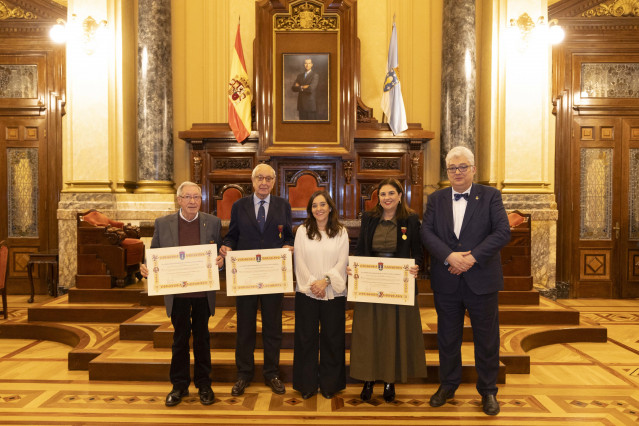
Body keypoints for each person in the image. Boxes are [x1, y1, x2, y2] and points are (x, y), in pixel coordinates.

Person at [421, 146, 510, 416]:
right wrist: (449, 256)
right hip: (447, 280)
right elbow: (426, 232)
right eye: (452, 168)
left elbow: (502, 232)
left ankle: (488, 391)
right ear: (447, 172)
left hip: (481, 279)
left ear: (473, 169)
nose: (457, 172)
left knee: (487, 338)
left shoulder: (491, 196)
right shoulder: (436, 199)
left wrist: (471, 258)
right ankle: (448, 385)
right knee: (448, 338)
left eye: (462, 167)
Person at [140, 181, 224, 407]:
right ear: (179, 200)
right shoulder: (163, 223)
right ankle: (179, 386)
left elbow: (219, 256)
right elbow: (154, 254)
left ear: (201, 200)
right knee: (179, 340)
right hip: (176, 294)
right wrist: (145, 266)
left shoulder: (213, 223)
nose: (192, 201)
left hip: (202, 294)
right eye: (187, 197)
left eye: (196, 197)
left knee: (202, 340)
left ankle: (204, 384)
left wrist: (221, 261)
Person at [348, 178, 426, 403]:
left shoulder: (410, 219)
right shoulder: (370, 218)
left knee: (393, 332)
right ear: (378, 198)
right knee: (369, 332)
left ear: (400, 196)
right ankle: (368, 379)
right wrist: (355, 269)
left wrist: (416, 266)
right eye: (383, 194)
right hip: (371, 282)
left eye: (391, 193)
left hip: (398, 283)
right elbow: (362, 247)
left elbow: (418, 251)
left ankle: (390, 380)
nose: (387, 198)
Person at [220, 163, 294, 397]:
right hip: (246, 276)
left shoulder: (283, 205)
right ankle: (244, 374)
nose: (264, 182)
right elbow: (232, 235)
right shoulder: (239, 206)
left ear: (274, 182)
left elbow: (288, 235)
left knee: (273, 326)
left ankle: (272, 373)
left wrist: (287, 246)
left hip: (273, 276)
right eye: (259, 178)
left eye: (268, 178)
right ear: (252, 181)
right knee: (245, 327)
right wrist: (226, 247)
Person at [293, 191, 349, 400]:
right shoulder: (302, 231)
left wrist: (325, 281)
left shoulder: (341, 232)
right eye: (314, 205)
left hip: (333, 292)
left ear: (330, 207)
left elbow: (342, 262)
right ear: (310, 210)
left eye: (322, 204)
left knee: (332, 338)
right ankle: (306, 384)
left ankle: (330, 384)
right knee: (305, 338)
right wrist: (312, 285)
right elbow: (299, 261)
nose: (319, 209)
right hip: (307, 293)